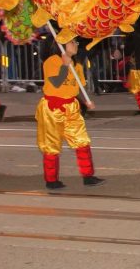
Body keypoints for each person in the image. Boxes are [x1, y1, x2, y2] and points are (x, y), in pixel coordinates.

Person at [37, 37, 104, 189]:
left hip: (71, 107)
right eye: (72, 42)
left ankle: (88, 176)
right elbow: (56, 82)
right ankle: (51, 180)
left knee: (82, 140)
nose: (75, 45)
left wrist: (85, 101)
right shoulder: (52, 61)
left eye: (76, 42)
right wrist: (65, 66)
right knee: (52, 145)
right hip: (53, 108)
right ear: (61, 45)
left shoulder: (77, 64)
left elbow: (77, 86)